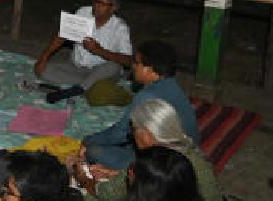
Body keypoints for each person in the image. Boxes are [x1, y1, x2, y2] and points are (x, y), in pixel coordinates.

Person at [76, 99, 227, 201]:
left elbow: (108, 194)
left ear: (145, 135)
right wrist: (114, 174)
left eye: (134, 130)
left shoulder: (150, 163)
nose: (132, 135)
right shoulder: (191, 156)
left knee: (85, 200)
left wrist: (83, 178)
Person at [84, 40, 199, 170]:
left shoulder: (145, 97)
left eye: (137, 63)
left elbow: (119, 134)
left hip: (169, 164)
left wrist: (87, 140)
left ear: (150, 70)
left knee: (93, 151)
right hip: (188, 151)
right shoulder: (172, 84)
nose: (133, 66)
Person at [34, 0, 133, 103]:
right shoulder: (83, 12)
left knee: (114, 66)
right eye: (96, 1)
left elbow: (128, 61)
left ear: (113, 8)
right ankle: (87, 86)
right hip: (76, 68)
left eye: (103, 4)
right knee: (43, 71)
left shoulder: (120, 28)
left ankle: (76, 90)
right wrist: (43, 58)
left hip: (101, 69)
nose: (97, 6)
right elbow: (61, 36)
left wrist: (99, 50)